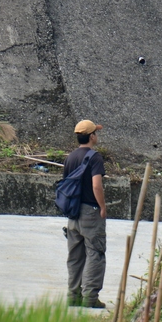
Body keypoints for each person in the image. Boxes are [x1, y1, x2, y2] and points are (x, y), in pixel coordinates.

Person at [63, 119, 108, 308]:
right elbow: (96, 185)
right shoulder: (94, 157)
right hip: (90, 212)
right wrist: (103, 206)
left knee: (75, 256)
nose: (97, 136)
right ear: (91, 136)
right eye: (96, 133)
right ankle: (90, 297)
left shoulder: (70, 157)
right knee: (95, 253)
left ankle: (73, 296)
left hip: (73, 212)